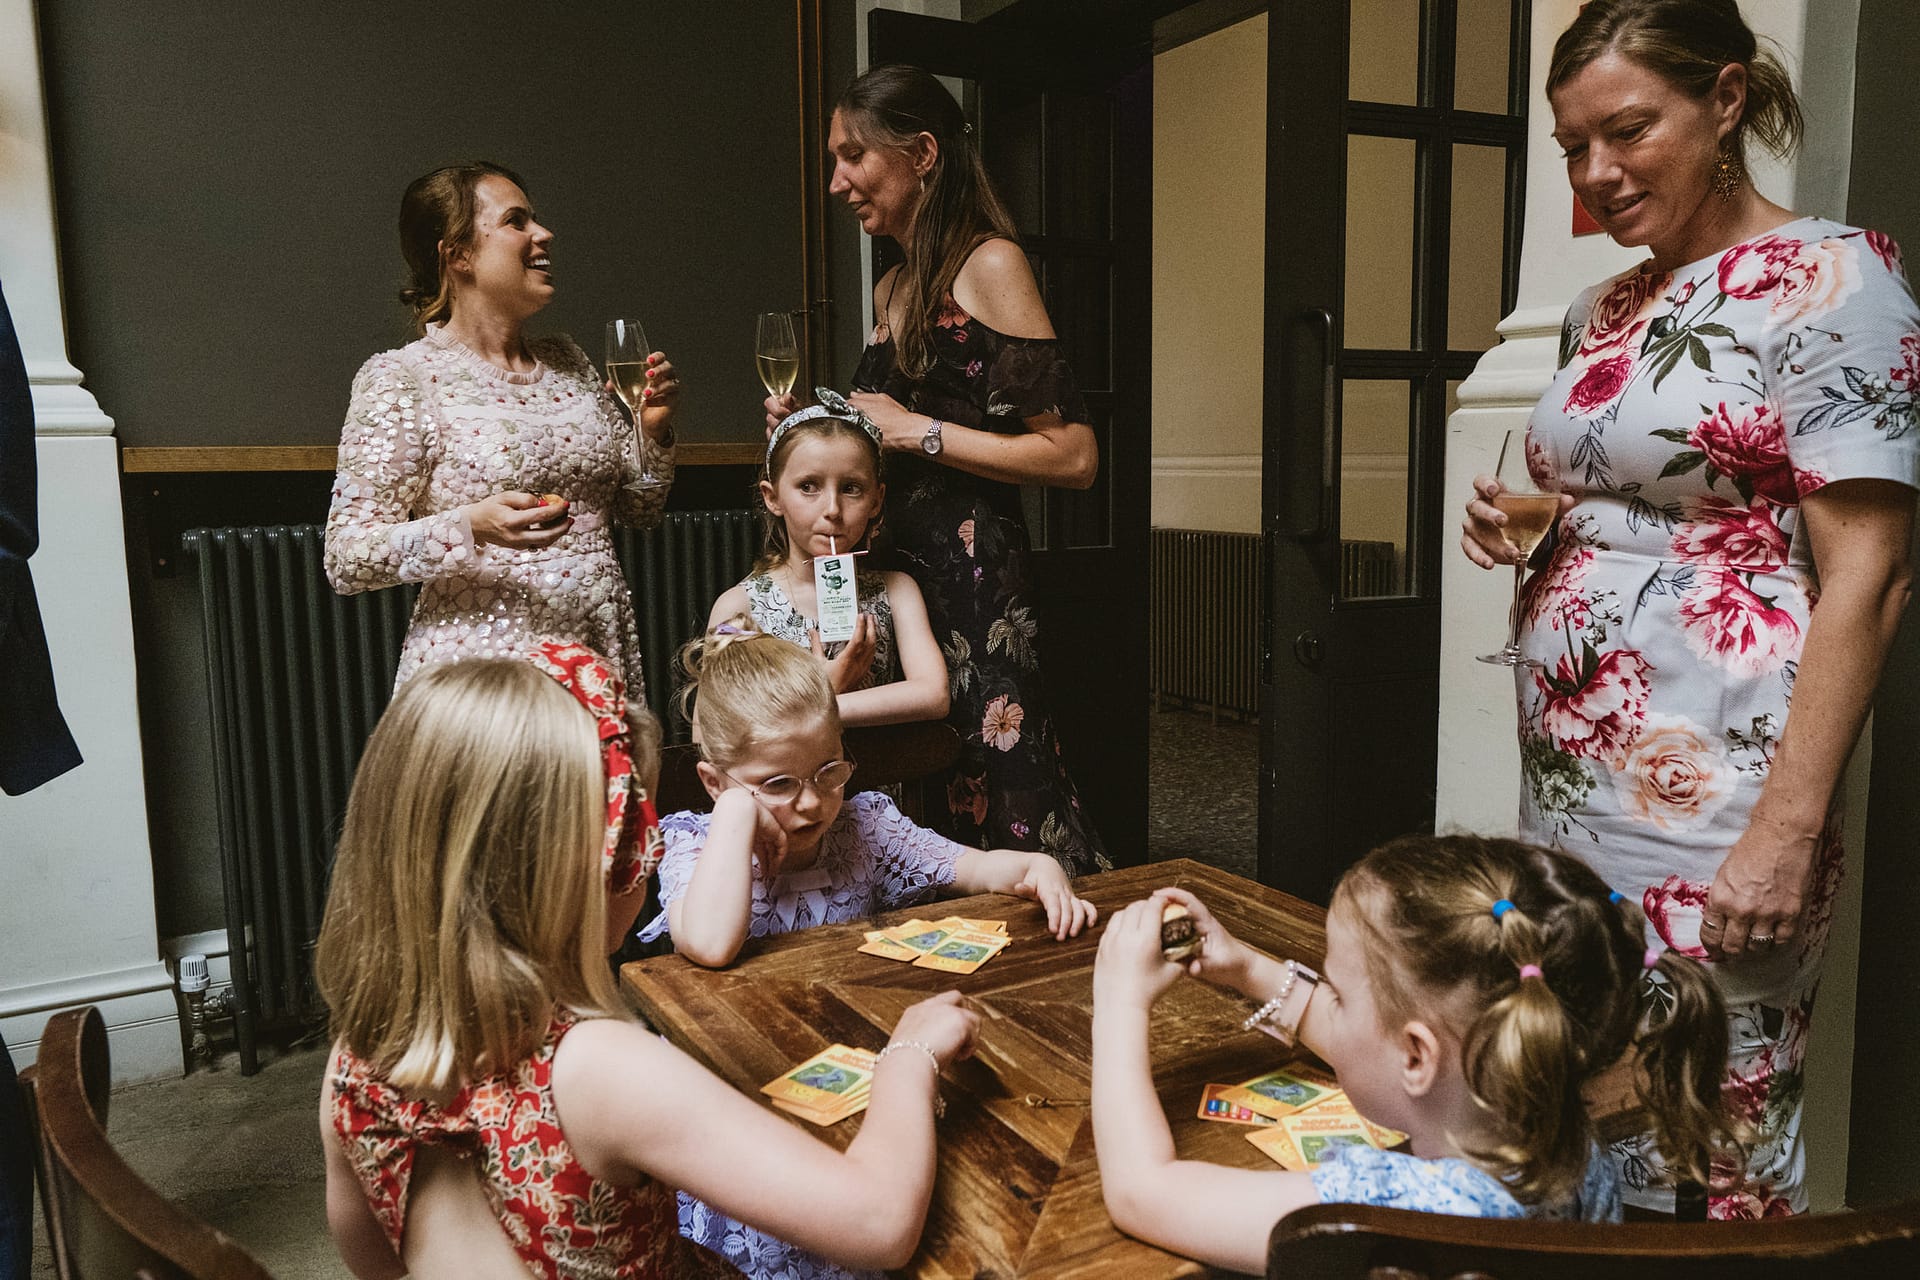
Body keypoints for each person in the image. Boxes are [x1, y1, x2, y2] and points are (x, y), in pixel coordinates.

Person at [1459, 0, 1918, 1218]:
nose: (1596, 172)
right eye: (1572, 146)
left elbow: (1872, 575)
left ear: (1724, 100)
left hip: (1719, 792)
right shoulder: (1599, 309)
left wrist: (1788, 827)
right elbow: (1647, 513)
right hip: (1569, 780)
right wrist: (1540, 527)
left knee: (1717, 1107)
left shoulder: (1832, 277)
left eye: (1626, 130)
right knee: (1576, 1068)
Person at [314, 643, 978, 1278]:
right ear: (589, 864)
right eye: (640, 828)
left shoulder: (360, 1056)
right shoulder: (602, 1066)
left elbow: (375, 1259)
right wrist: (908, 1057)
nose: (655, 849)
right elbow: (879, 1222)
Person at [639, 618, 1096, 1280]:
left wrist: (1036, 870)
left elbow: (978, 867)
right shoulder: (694, 844)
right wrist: (735, 823)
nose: (811, 803)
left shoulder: (864, 825)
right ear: (715, 784)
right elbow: (709, 943)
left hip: (865, 1087)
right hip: (747, 1110)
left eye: (829, 770)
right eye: (777, 784)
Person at [1091, 834, 1738, 1274]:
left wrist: (1120, 1001)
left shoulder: (1384, 1213)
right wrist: (1249, 970)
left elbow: (1144, 1192)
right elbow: (1379, 1044)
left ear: (1418, 1058)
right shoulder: (1574, 1143)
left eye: (1338, 995)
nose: (1329, 1004)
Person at [764, 65, 1106, 874]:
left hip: (973, 586)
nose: (837, 181)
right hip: (885, 579)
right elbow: (873, 435)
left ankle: (1064, 950)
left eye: (853, 156)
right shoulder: (892, 282)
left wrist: (917, 431)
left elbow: (1075, 455)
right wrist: (810, 432)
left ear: (921, 153)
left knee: (1006, 789)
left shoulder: (989, 264)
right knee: (909, 799)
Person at [325, 161, 682, 700]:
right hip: (482, 677)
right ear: (459, 255)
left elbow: (638, 512)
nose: (543, 235)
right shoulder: (403, 377)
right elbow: (347, 558)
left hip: (595, 656)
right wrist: (471, 526)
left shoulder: (568, 359)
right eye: (517, 221)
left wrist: (650, 436)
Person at [708, 395, 949, 726]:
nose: (833, 509)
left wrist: (821, 705)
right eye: (809, 486)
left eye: (851, 488)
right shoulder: (738, 608)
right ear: (773, 497)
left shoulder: (896, 591)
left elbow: (933, 696)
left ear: (876, 500)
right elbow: (708, 728)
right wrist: (826, 687)